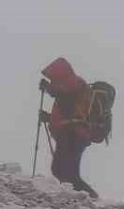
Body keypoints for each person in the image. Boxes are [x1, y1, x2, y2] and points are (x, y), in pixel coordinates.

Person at [39, 57, 99, 198]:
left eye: (52, 76)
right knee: (61, 170)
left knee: (66, 172)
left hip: (73, 134)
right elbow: (67, 112)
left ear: (59, 73)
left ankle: (91, 199)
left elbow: (66, 97)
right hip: (71, 133)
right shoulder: (68, 85)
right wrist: (48, 117)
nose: (51, 79)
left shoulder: (74, 82)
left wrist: (48, 88)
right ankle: (83, 198)